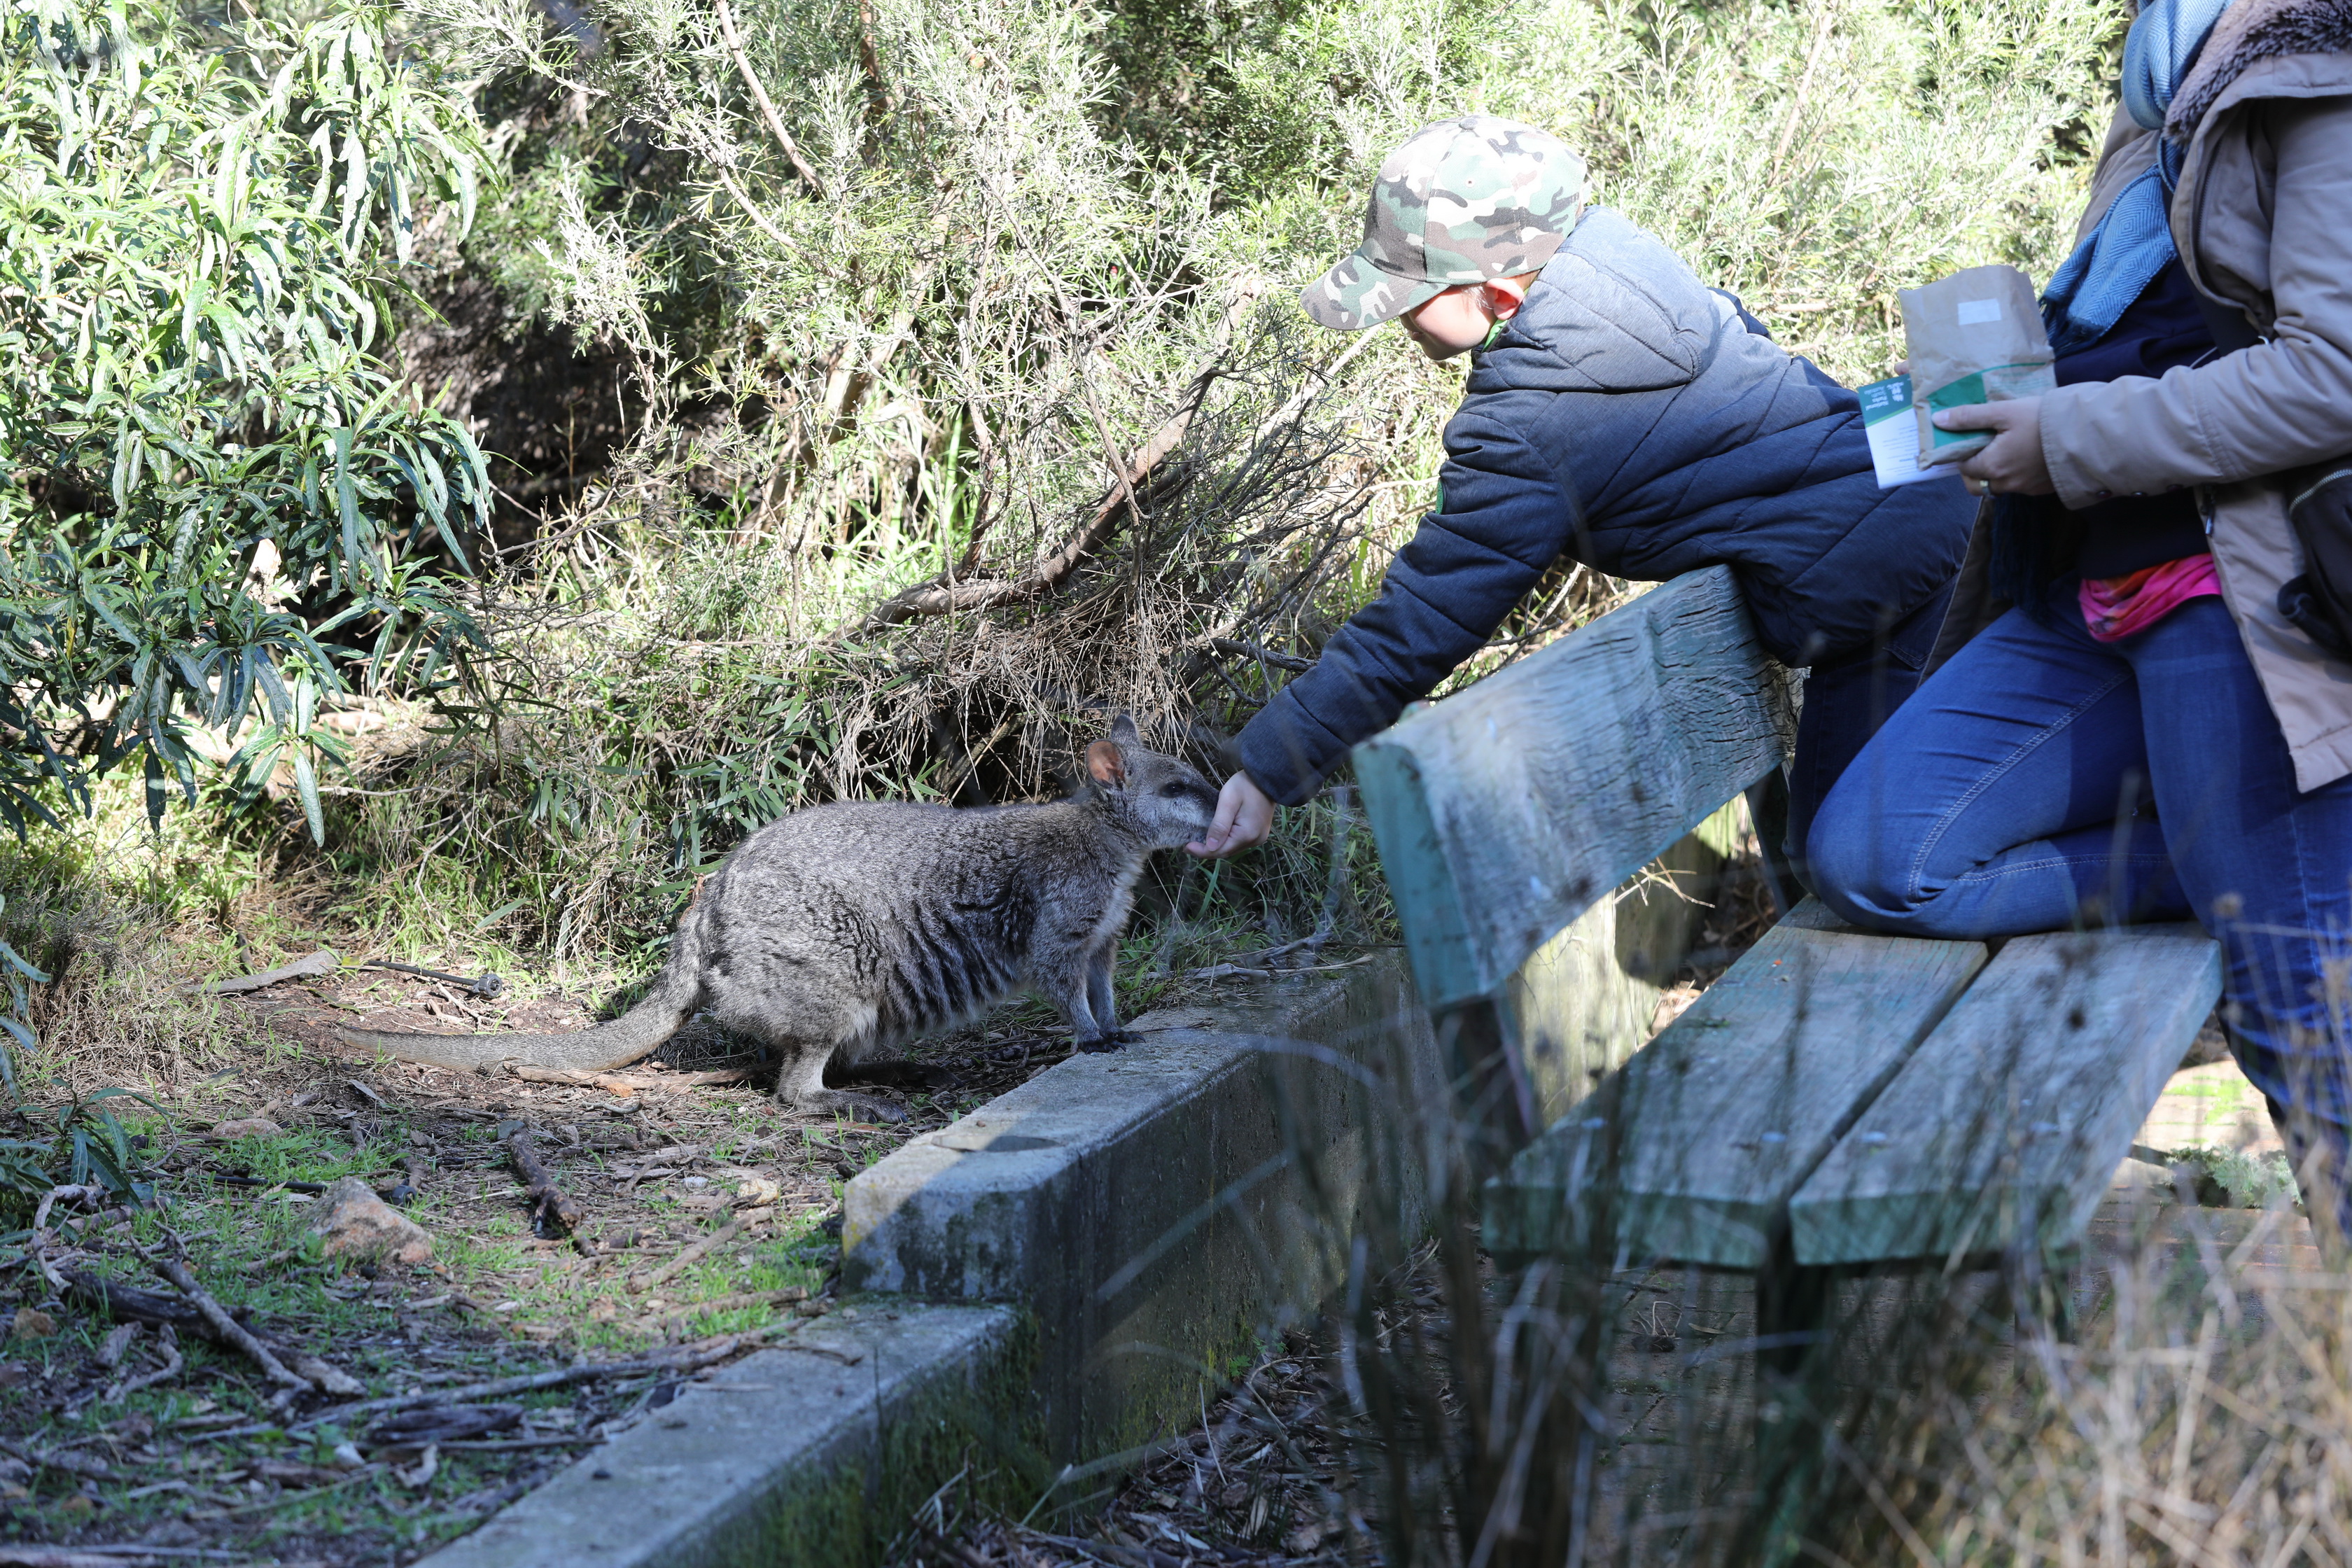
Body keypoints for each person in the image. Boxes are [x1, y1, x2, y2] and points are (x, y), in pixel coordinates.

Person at [1802, 0, 2352, 1234]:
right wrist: (1997, 404)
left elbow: (2337, 371)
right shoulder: (2168, 78)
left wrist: (2071, 435)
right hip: (2094, 583)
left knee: (2304, 1017)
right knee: (1883, 858)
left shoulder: (2318, 69)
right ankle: (2234, 865)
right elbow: (2148, 328)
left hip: (2251, 592)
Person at [1185, 116, 1974, 878]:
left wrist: (1269, 766)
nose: (1395, 319)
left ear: (1496, 295)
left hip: (1882, 587)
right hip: (1925, 507)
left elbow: (1424, 613)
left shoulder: (1527, 421)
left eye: (1408, 295)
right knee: (1869, 854)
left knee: (1855, 874)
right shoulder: (1618, 260)